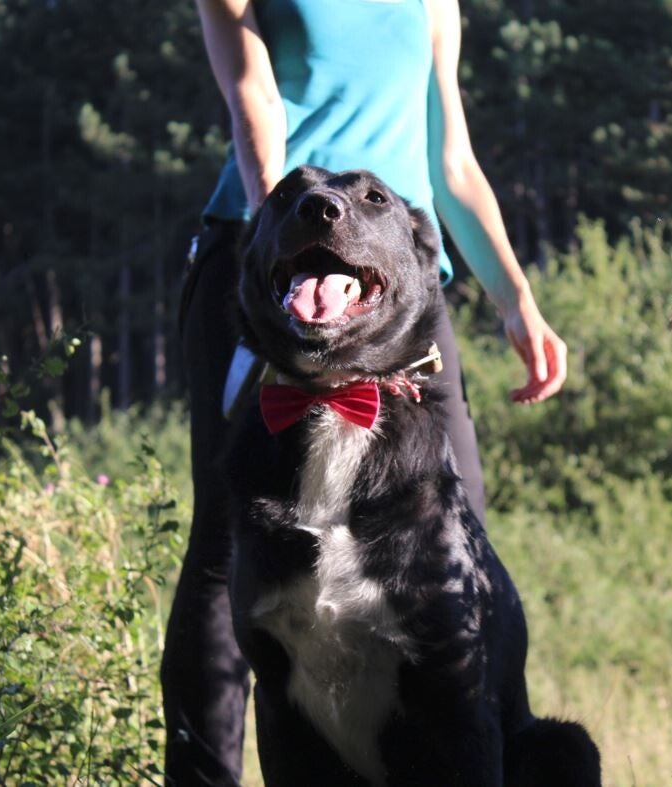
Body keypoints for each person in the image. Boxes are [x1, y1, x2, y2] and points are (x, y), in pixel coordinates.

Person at [163, 0, 568, 782]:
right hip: (273, 270)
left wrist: (516, 299)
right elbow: (256, 104)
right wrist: (287, 257)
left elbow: (451, 161)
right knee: (231, 546)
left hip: (394, 287)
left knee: (459, 541)